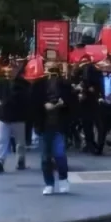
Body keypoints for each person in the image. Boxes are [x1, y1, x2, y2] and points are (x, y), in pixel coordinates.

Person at [0, 58, 30, 173]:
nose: (10, 71)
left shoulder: (23, 84)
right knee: (2, 140)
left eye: (13, 69)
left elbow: (26, 99)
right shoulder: (2, 83)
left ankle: (20, 160)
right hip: (4, 116)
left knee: (20, 143)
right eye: (8, 69)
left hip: (18, 116)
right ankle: (0, 161)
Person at [38, 61, 72, 195]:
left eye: (53, 69)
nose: (51, 72)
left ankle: (63, 179)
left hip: (59, 125)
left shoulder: (64, 85)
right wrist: (44, 105)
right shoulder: (39, 85)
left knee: (59, 155)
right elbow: (34, 102)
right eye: (48, 68)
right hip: (44, 125)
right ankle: (49, 183)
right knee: (45, 157)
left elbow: (70, 102)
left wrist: (61, 104)